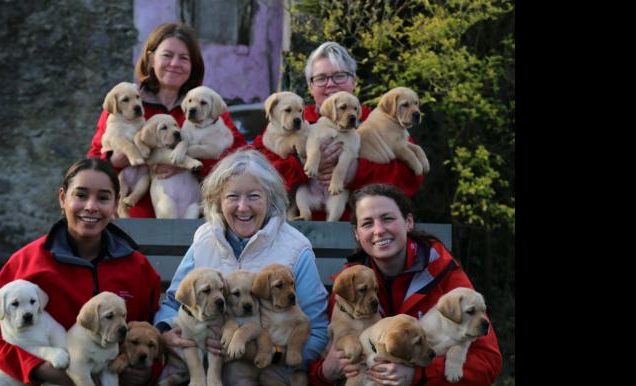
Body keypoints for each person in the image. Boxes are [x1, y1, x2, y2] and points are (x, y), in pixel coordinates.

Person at [0, 158, 163, 386]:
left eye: (103, 198)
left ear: (115, 205)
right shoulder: (27, 261)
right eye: (81, 195)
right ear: (63, 198)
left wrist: (148, 371)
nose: (91, 206)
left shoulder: (138, 267)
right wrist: (37, 369)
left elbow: (154, 332)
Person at [153, 149, 330, 385]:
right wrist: (168, 333)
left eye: (254, 196)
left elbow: (317, 332)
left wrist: (268, 355)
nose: (243, 207)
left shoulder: (296, 248)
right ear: (218, 200)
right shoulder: (204, 239)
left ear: (271, 198)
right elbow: (174, 302)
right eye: (233, 197)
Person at [308, 184, 502, 386]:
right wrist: (325, 373)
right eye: (367, 223)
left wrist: (418, 376)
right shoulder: (349, 288)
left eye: (387, 219)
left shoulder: (445, 275)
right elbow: (313, 363)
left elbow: (488, 361)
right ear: (357, 234)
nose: (379, 230)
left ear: (408, 222)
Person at [87, 22, 248, 218]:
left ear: (193, 65)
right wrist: (114, 161)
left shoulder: (206, 106)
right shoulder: (126, 103)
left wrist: (190, 162)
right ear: (151, 58)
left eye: (184, 58)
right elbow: (94, 162)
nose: (174, 64)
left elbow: (240, 157)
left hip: (195, 221)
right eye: (167, 55)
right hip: (134, 222)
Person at [252, 41, 423, 221]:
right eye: (320, 78)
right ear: (311, 87)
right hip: (299, 232)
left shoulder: (376, 121)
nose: (330, 84)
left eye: (340, 76)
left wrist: (356, 172)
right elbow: (256, 169)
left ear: (354, 82)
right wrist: (304, 166)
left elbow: (410, 178)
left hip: (363, 232)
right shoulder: (293, 120)